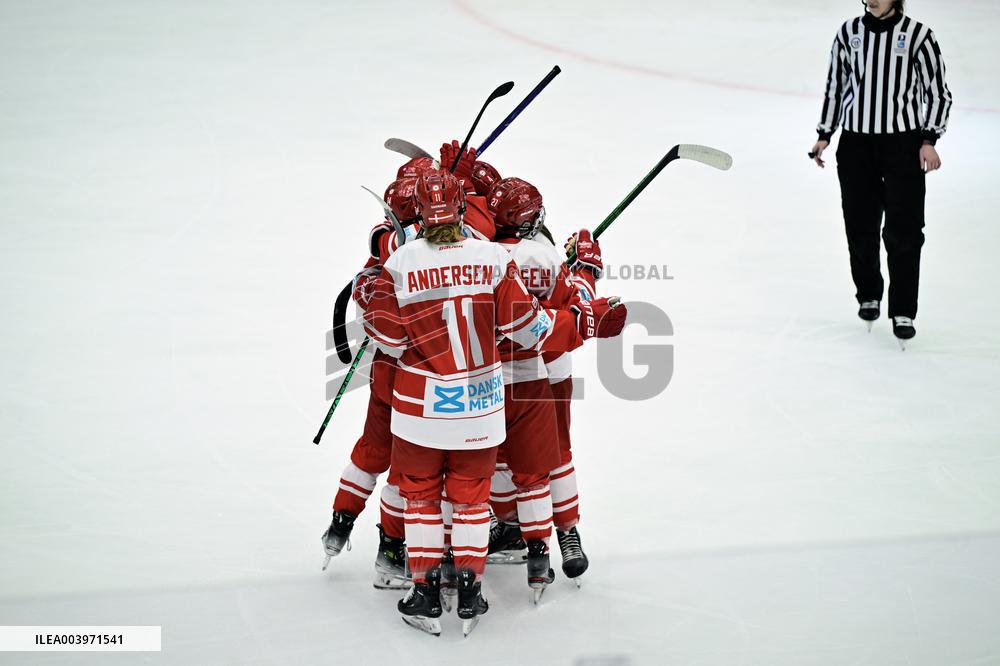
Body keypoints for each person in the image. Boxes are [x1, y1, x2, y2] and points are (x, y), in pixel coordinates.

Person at [363, 168, 626, 636]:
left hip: (421, 409)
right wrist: (582, 321)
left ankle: (424, 592)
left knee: (422, 496)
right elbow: (530, 329)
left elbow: (385, 335)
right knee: (471, 499)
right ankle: (471, 592)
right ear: (463, 209)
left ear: (420, 216)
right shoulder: (490, 259)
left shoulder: (399, 263)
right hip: (481, 409)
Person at [810, 0, 952, 347]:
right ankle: (868, 293)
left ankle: (903, 309)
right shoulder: (849, 33)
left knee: (904, 229)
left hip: (902, 146)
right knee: (860, 225)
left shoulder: (918, 36)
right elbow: (836, 86)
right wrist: (824, 134)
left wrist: (929, 138)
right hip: (856, 145)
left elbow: (938, 92)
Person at [483, 177, 603, 587]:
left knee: (498, 455)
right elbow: (578, 307)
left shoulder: (482, 251)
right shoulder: (547, 256)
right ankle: (567, 532)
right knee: (555, 453)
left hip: (490, 376)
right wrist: (586, 269)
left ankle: (513, 525)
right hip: (548, 370)